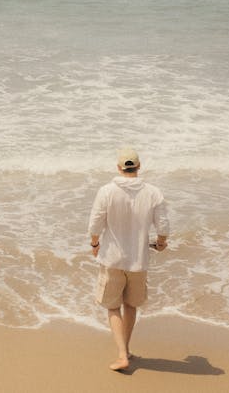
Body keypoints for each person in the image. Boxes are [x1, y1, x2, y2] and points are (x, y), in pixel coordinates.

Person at [87, 147, 170, 372]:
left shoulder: (106, 191)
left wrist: (95, 244)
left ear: (118, 167)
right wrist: (161, 243)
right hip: (139, 261)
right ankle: (127, 350)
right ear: (139, 166)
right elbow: (163, 226)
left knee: (113, 308)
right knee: (131, 305)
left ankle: (122, 354)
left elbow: (95, 223)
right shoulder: (153, 192)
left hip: (112, 259)